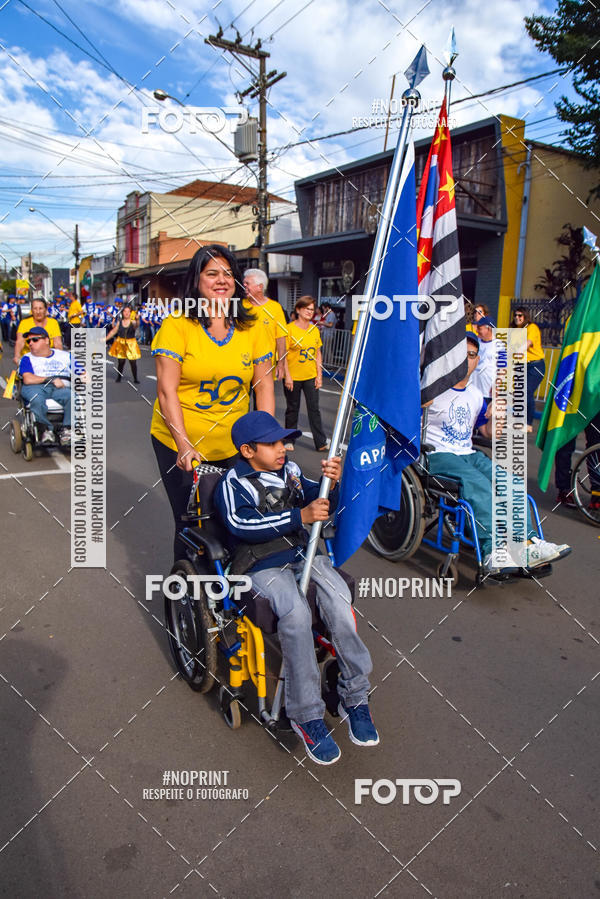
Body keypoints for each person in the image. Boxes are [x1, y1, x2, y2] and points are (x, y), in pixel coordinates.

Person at [214, 410, 378, 765]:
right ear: (247, 451)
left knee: (339, 601)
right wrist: (297, 517)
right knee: (296, 614)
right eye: (272, 444)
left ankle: (355, 696)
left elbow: (317, 504)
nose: (282, 448)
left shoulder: (289, 471)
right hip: (261, 563)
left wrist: (329, 486)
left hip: (303, 554)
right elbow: (240, 524)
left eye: (282, 441)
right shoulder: (233, 482)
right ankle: (306, 715)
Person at [150, 245, 275, 562]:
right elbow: (167, 392)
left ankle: (228, 597)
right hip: (180, 442)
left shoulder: (253, 326)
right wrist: (183, 445)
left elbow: (264, 388)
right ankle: (185, 598)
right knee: (191, 521)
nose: (221, 280)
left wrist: (266, 442)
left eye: (228, 274)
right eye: (212, 273)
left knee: (237, 517)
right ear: (197, 280)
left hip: (234, 445)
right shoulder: (177, 325)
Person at [426, 333, 571, 573]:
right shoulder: (431, 389)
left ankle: (527, 544)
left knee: (510, 482)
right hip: (437, 454)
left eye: (472, 355)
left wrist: (495, 418)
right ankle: (493, 551)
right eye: (461, 354)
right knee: (479, 485)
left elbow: (485, 431)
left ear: (477, 359)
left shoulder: (475, 395)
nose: (466, 359)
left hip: (467, 453)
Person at [282, 295, 328, 452]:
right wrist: (287, 375)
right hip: (293, 377)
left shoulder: (314, 330)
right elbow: (283, 355)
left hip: (310, 375)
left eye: (312, 309)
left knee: (314, 408)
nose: (310, 312)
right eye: (306, 309)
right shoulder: (288, 329)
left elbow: (317, 353)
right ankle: (289, 440)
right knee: (292, 409)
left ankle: (320, 442)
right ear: (298, 309)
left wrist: (319, 375)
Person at [18, 326, 72, 445]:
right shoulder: (27, 358)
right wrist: (51, 379)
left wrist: (85, 376)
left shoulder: (64, 356)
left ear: (47, 340)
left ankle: (67, 429)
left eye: (35, 340)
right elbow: (27, 379)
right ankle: (46, 430)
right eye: (29, 341)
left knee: (72, 396)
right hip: (36, 386)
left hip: (60, 387)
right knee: (36, 399)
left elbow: (81, 372)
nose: (31, 343)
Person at [242, 268, 289, 382]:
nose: (244, 285)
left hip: (265, 366)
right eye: (244, 283)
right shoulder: (239, 306)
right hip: (242, 366)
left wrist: (281, 364)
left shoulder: (275, 308)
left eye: (247, 283)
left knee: (263, 399)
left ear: (260, 287)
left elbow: (281, 338)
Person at [554, 410, 600, 509]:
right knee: (566, 441)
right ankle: (564, 489)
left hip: (596, 398)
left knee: (596, 445)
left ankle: (597, 493)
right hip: (572, 399)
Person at [511, 307, 545, 432]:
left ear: (525, 317)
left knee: (526, 391)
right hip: (521, 365)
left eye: (520, 315)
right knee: (519, 392)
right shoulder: (515, 330)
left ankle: (528, 424)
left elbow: (528, 343)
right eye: (515, 315)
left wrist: (517, 351)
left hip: (535, 365)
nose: (517, 318)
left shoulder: (531, 328)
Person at [106, 303, 141, 383]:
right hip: (121, 342)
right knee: (121, 362)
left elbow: (137, 325)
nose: (126, 313)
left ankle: (135, 378)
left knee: (133, 362)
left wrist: (137, 319)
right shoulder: (119, 322)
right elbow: (113, 332)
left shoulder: (133, 322)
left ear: (130, 313)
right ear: (122, 313)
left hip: (131, 343)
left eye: (128, 311)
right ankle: (119, 377)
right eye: (125, 311)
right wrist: (105, 339)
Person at [470, 315, 499, 402]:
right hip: (473, 389)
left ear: (488, 329)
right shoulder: (475, 342)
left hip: (487, 391)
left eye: (479, 328)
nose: (477, 330)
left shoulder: (499, 345)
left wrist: (497, 386)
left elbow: (503, 369)